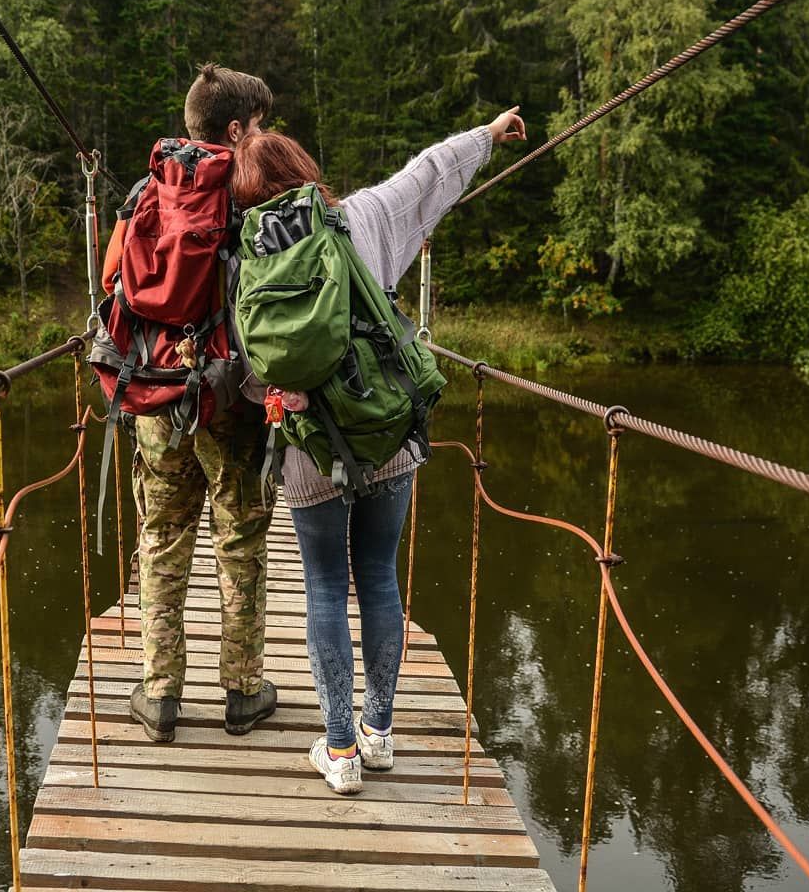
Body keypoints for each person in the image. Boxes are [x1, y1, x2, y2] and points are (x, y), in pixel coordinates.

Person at [229, 108, 526, 792]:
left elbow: (250, 369)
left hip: (309, 452)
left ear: (247, 199)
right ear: (306, 174)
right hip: (389, 432)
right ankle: (381, 734)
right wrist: (487, 134)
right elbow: (429, 174)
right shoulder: (364, 215)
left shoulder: (245, 258)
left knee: (326, 587)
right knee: (381, 578)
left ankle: (338, 752)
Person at [128, 64, 280, 743]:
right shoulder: (254, 200)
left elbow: (114, 286)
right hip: (229, 399)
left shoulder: (147, 191)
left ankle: (160, 696)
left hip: (159, 393)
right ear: (236, 129)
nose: (267, 136)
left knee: (162, 538)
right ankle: (243, 691)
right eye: (261, 124)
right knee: (239, 538)